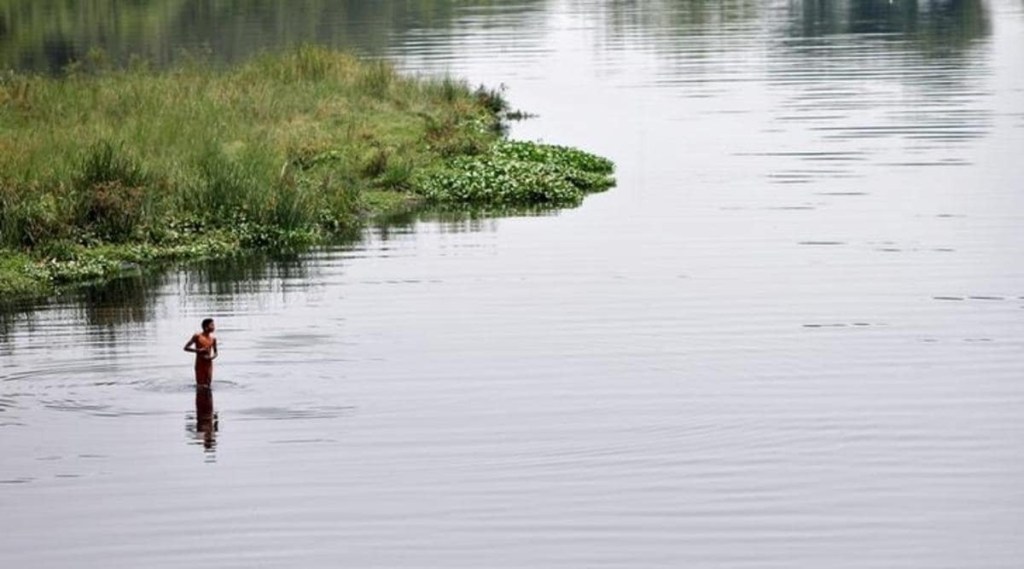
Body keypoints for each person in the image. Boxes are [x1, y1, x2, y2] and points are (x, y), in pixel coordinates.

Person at [184, 318, 218, 388]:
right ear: (206, 327)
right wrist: (198, 350)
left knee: (208, 385)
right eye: (212, 325)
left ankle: (209, 398)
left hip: (208, 364)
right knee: (201, 386)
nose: (214, 327)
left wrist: (212, 357)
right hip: (200, 364)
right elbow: (186, 348)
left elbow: (216, 352)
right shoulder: (197, 336)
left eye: (214, 325)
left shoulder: (213, 339)